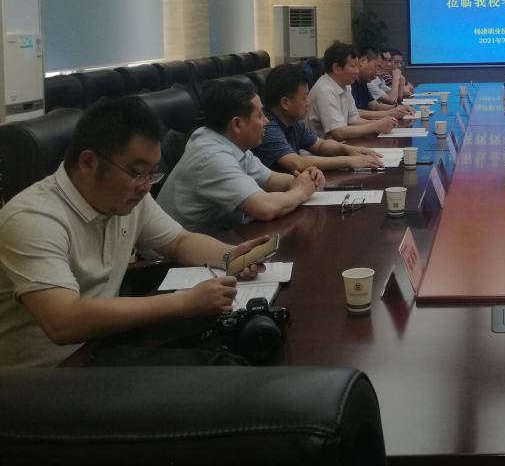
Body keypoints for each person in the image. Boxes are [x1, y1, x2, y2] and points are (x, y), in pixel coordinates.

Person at [0, 97, 269, 368]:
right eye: (137, 172)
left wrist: (230, 256)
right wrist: (183, 303)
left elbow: (179, 241)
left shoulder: (126, 198)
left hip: (103, 344)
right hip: (46, 375)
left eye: (152, 174)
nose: (145, 186)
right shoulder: (31, 219)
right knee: (221, 372)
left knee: (245, 342)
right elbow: (63, 321)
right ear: (88, 162)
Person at [158, 79, 324, 234]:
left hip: (223, 236)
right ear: (237, 124)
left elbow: (270, 179)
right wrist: (301, 192)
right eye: (259, 116)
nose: (266, 121)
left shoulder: (229, 142)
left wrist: (303, 179)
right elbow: (265, 208)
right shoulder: (212, 157)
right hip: (183, 252)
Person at [252, 63, 384, 173]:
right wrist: (349, 161)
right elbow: (297, 163)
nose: (308, 102)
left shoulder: (293, 121)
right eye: (304, 97)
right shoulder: (266, 127)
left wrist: (348, 150)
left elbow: (320, 145)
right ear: (285, 103)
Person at [308, 41, 398, 140]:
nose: (357, 71)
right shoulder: (324, 90)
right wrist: (376, 126)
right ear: (336, 68)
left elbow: (354, 120)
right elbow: (339, 132)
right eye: (353, 66)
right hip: (326, 147)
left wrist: (381, 123)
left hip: (341, 144)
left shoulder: (346, 86)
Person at [351, 48, 413, 115]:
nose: (377, 72)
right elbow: (353, 113)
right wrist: (388, 113)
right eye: (376, 67)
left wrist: (398, 108)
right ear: (362, 61)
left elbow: (374, 105)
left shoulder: (363, 82)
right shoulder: (351, 83)